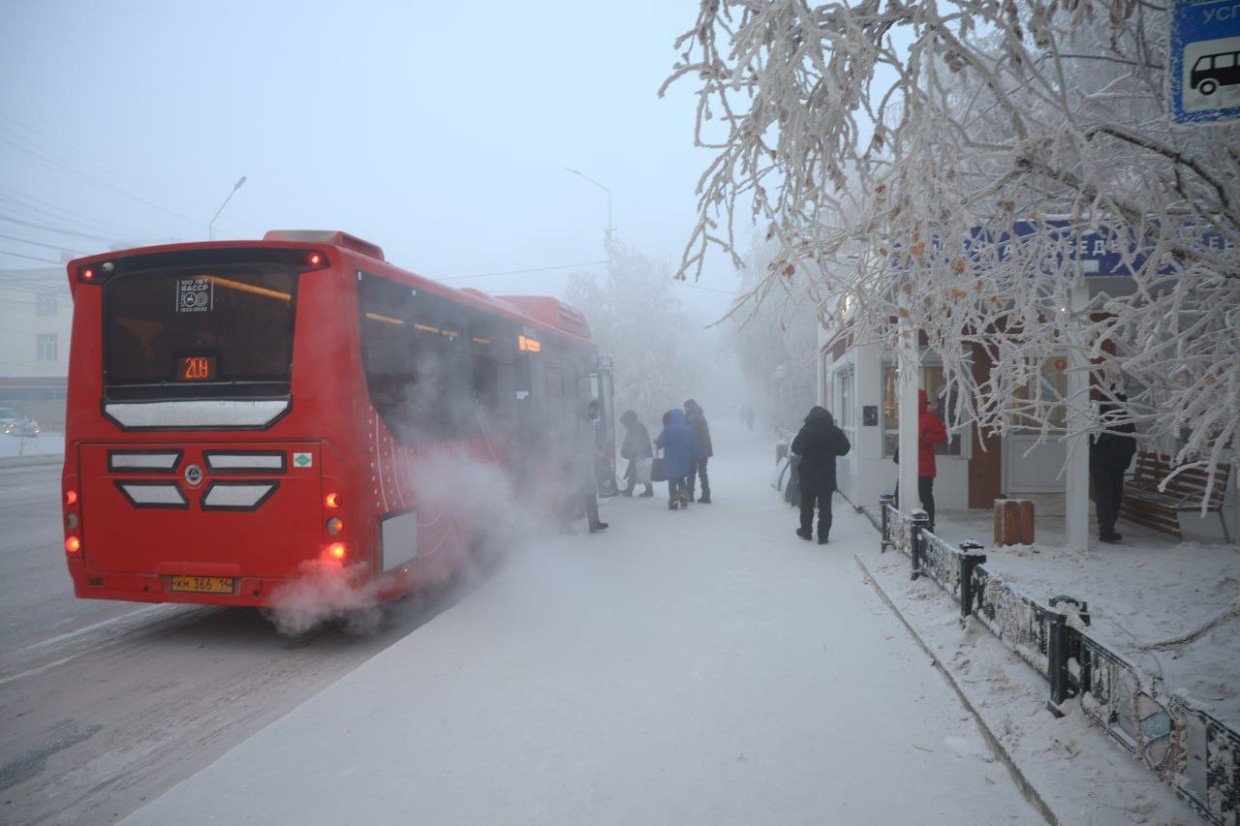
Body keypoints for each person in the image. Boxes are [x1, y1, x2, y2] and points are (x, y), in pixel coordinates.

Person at [790, 406, 850, 543]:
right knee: (826, 506)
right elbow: (845, 449)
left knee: (806, 505)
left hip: (807, 475)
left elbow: (795, 449)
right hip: (826, 474)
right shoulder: (834, 432)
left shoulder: (805, 431)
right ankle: (823, 536)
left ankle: (806, 531)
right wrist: (831, 451)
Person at [1090, 395, 1136, 543]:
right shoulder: (1099, 415)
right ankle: (1106, 530)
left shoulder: (1126, 418)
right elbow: (1093, 440)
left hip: (1118, 465)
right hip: (1101, 464)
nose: (1118, 406)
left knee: (1116, 497)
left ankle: (1110, 527)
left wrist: (1124, 459)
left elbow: (1131, 441)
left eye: (1120, 404)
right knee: (1105, 497)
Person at [561, 400, 608, 533]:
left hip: (586, 466)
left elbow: (589, 446)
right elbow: (568, 443)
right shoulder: (575, 423)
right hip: (576, 465)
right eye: (596, 410)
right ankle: (564, 525)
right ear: (589, 409)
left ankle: (593, 523)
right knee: (572, 493)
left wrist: (600, 456)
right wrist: (569, 461)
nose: (597, 413)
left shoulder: (587, 424)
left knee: (591, 493)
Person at [655, 408, 700, 510]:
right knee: (681, 480)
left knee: (672, 482)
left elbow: (660, 443)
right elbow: (695, 445)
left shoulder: (667, 429)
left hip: (671, 460)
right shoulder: (688, 429)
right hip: (685, 460)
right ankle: (683, 500)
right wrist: (697, 458)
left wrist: (657, 442)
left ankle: (674, 503)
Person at [683, 399, 713, 503]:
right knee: (702, 472)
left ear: (690, 407)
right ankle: (706, 495)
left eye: (685, 407)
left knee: (691, 472)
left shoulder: (692, 418)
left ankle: (690, 495)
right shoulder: (700, 415)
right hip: (705, 448)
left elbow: (692, 435)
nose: (684, 409)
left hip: (697, 449)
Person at [619, 410, 655, 497]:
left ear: (629, 420)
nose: (624, 425)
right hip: (640, 453)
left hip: (640, 454)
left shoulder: (636, 428)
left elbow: (635, 442)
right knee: (636, 472)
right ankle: (632, 490)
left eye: (625, 422)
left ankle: (645, 490)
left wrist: (630, 451)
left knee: (639, 472)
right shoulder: (636, 426)